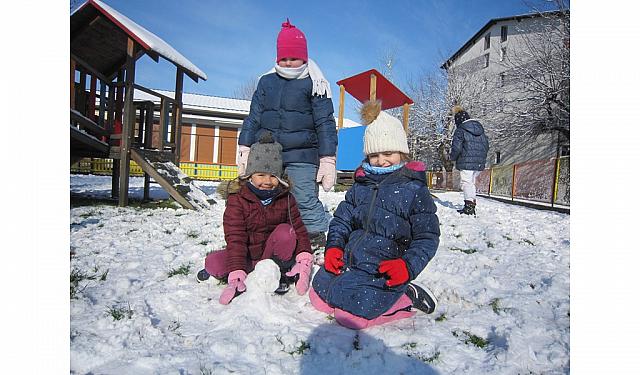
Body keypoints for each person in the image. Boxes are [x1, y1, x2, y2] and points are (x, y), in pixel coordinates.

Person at [308, 100, 440, 330]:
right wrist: (334, 247)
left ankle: (403, 298)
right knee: (318, 296)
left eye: (388, 153)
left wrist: (407, 266)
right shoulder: (361, 185)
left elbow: (427, 237)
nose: (381, 160)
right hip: (352, 263)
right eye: (374, 155)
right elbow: (342, 220)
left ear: (402, 152)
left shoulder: (413, 189)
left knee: (353, 317)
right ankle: (365, 292)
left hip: (384, 270)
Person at [236, 19, 338, 252]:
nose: (289, 63)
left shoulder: (315, 83)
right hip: (269, 155)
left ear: (304, 57)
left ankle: (314, 239)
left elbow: (325, 123)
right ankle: (275, 239)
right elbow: (254, 116)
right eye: (284, 58)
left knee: (303, 198)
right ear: (277, 58)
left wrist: (328, 158)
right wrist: (245, 148)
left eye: (294, 58)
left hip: (303, 155)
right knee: (269, 198)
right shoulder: (266, 82)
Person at [197, 133, 313, 305]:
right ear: (249, 175)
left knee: (286, 233)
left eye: (273, 176)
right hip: (246, 254)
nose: (267, 181)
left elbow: (299, 229)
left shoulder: (286, 199)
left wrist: (304, 257)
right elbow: (235, 237)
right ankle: (234, 275)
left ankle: (277, 272)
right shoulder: (238, 200)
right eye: (261, 175)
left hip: (271, 255)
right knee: (213, 263)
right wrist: (237, 269)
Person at [449, 105, 490, 216]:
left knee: (466, 183)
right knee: (471, 183)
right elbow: (487, 145)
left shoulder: (460, 130)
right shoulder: (481, 130)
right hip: (479, 162)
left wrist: (452, 157)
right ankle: (472, 203)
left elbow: (456, 148)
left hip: (466, 161)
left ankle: (469, 206)